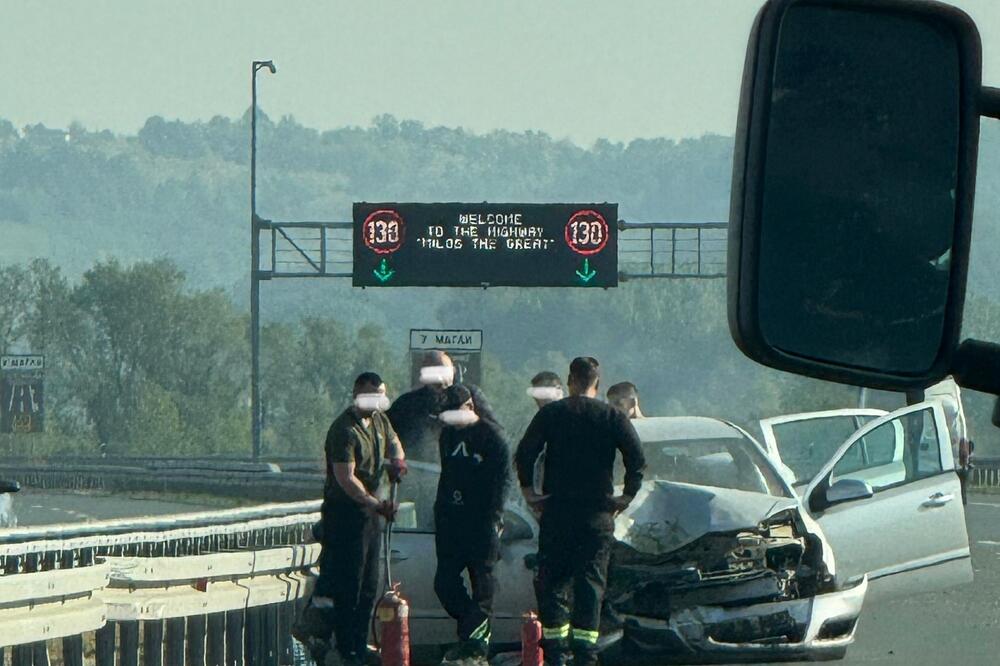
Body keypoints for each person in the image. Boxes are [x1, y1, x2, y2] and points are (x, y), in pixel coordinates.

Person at [515, 357, 645, 666]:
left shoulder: (552, 414)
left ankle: (556, 654)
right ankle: (586, 655)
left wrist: (529, 493)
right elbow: (637, 459)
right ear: (597, 384)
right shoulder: (612, 416)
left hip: (557, 514)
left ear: (571, 380)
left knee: (553, 585)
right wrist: (626, 496)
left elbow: (525, 453)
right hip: (596, 517)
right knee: (591, 585)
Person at [317, 372, 407, 666]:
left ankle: (359, 642)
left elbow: (394, 443)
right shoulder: (344, 430)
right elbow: (346, 478)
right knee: (350, 584)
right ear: (356, 394)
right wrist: (375, 503)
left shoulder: (380, 420)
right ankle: (346, 647)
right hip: (346, 514)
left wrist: (397, 461)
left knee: (370, 584)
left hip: (371, 513)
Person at [433, 385, 510, 665]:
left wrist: (494, 520)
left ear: (469, 406)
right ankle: (470, 631)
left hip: (481, 523)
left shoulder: (492, 437)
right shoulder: (448, 435)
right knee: (444, 583)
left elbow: (502, 484)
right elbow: (447, 475)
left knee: (483, 589)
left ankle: (474, 646)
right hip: (451, 522)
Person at [387, 350, 497, 462]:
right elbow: (384, 434)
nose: (438, 378)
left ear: (453, 371)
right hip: (417, 473)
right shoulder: (407, 404)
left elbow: (494, 434)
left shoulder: (471, 397)